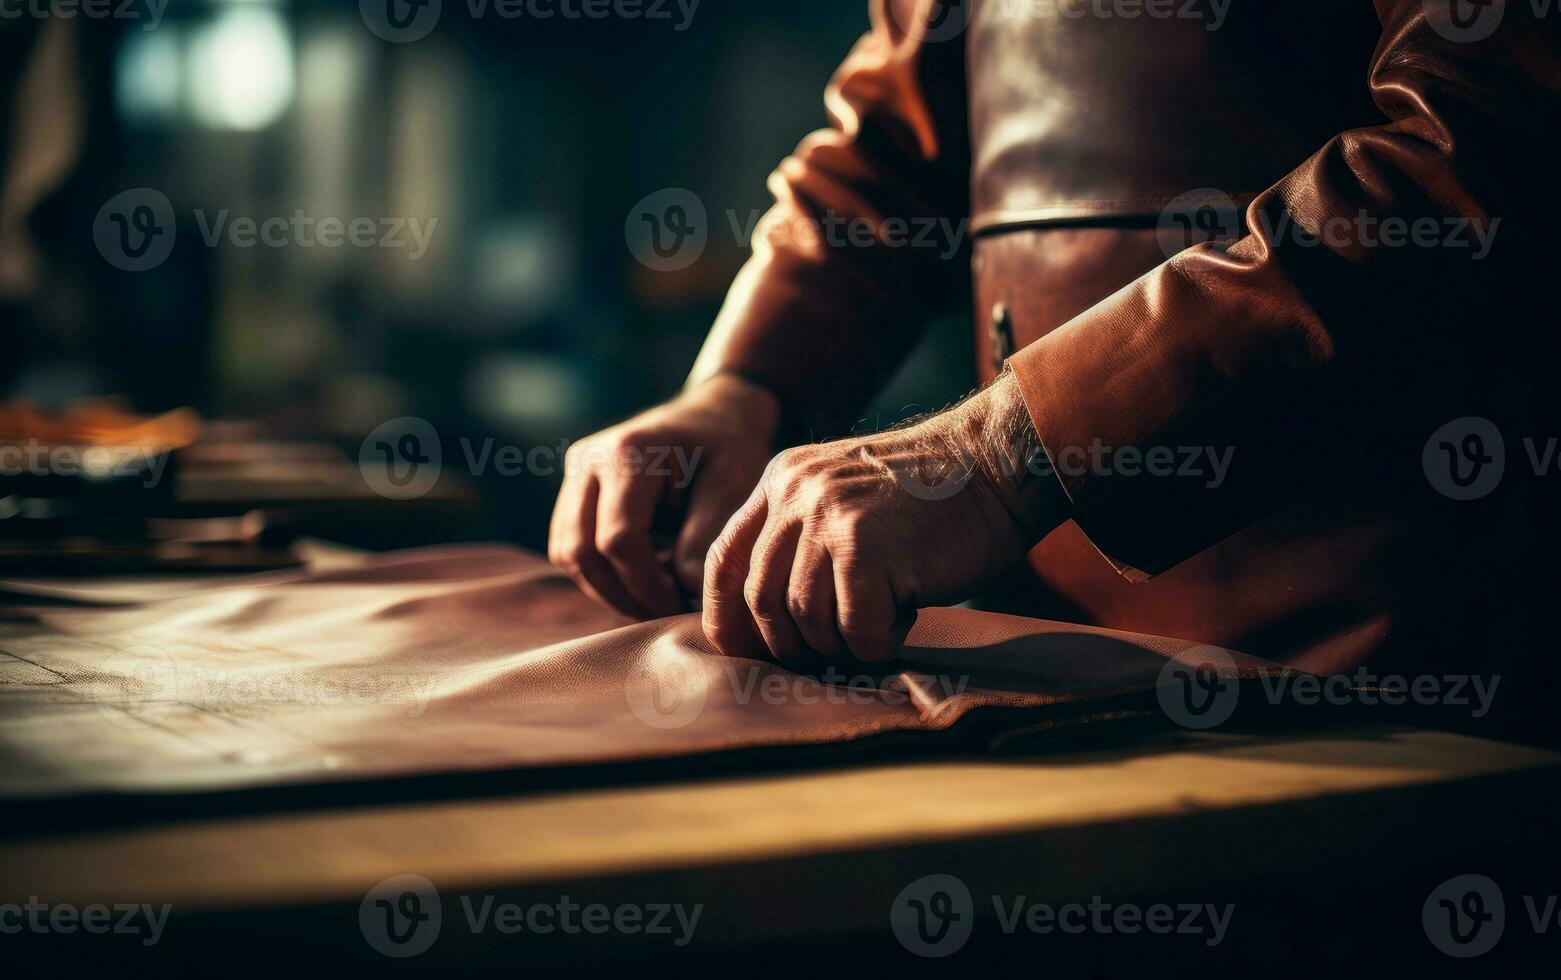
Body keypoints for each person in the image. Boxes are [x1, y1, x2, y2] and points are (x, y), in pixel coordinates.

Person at [551, 0, 1561, 730]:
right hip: (1065, 682)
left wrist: (999, 451)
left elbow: (1481, 147)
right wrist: (737, 387)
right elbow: (894, 149)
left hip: (1413, 689)